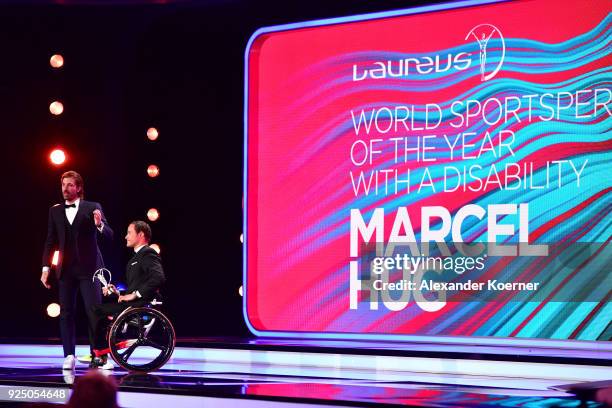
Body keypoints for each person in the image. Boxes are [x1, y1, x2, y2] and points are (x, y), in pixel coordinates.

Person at [40, 170, 114, 370]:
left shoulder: (93, 207)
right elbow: (50, 241)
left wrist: (99, 225)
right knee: (66, 313)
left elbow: (109, 235)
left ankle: (99, 355)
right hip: (65, 270)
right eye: (63, 185)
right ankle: (69, 355)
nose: (66, 189)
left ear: (79, 188)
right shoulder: (54, 211)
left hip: (90, 269)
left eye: (70, 185)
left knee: (94, 313)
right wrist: (45, 268)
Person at [89, 220, 165, 369]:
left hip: (142, 304)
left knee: (95, 310)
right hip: (133, 303)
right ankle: (100, 353)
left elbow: (158, 278)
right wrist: (118, 292)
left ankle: (100, 355)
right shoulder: (134, 260)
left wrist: (135, 294)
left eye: (129, 233)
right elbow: (134, 288)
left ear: (141, 234)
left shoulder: (148, 253)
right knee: (96, 310)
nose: (125, 236)